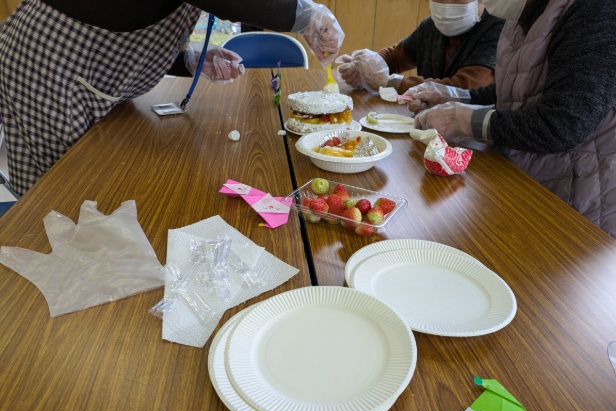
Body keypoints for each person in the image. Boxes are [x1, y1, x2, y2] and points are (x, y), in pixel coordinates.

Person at [0, 0, 344, 196]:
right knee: (59, 190)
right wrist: (302, 13)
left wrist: (187, 58)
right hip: (46, 57)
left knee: (89, 183)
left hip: (85, 69)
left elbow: (141, 18)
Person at [405, 0, 616, 238]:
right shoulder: (519, 17)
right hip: (528, 178)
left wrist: (463, 120)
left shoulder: (596, 9)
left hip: (579, 197)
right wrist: (455, 96)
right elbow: (511, 92)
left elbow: (564, 124)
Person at [336, 0, 504, 95]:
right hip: (427, 127)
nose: (446, 4)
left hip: (472, 139)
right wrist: (367, 67)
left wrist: (391, 82)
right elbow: (396, 57)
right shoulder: (432, 26)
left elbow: (464, 89)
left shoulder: (498, 31)